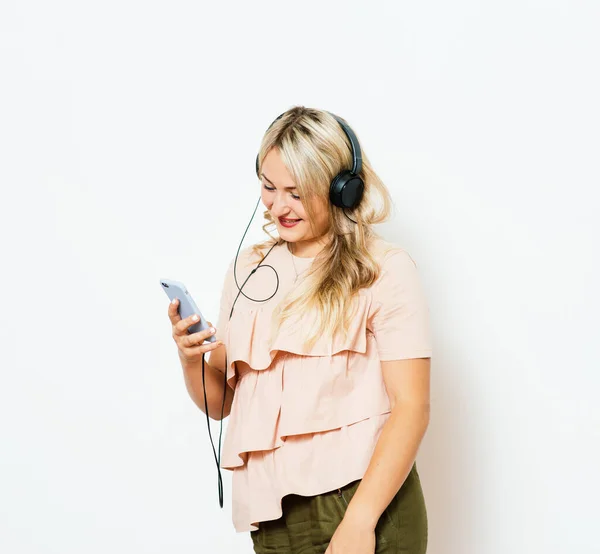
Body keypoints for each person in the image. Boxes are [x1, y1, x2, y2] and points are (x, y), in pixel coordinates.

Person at [168, 106, 432, 554]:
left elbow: (412, 407)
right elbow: (222, 404)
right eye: (269, 187)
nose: (278, 206)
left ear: (341, 190)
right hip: (273, 520)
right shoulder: (247, 271)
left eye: (297, 191)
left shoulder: (384, 269)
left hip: (364, 505)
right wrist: (189, 357)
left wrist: (360, 521)